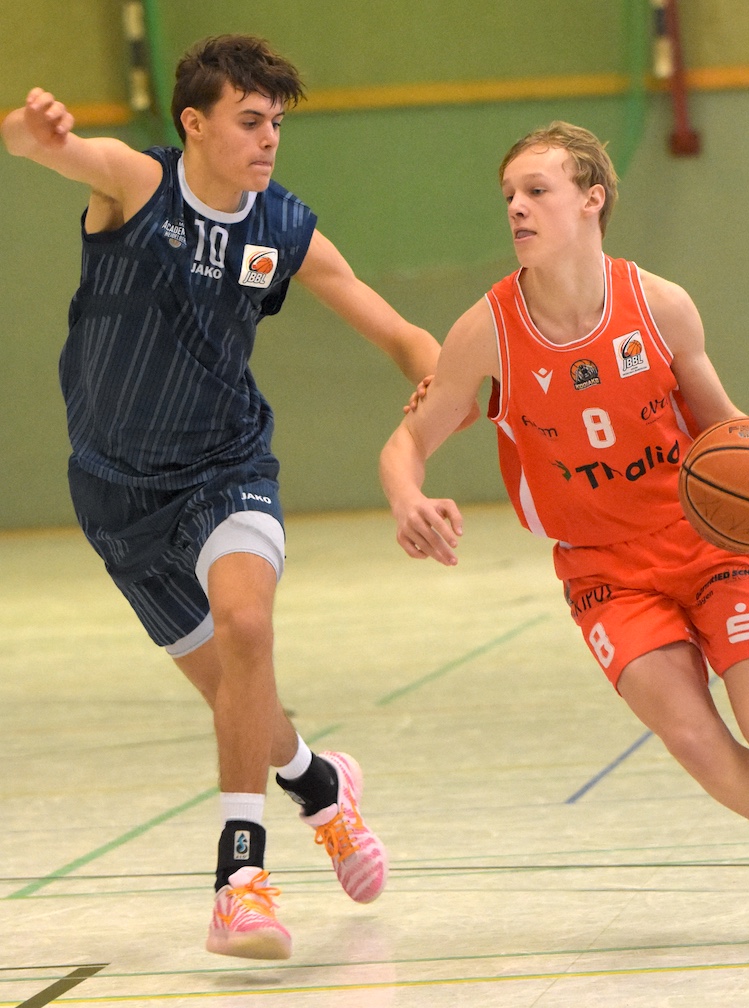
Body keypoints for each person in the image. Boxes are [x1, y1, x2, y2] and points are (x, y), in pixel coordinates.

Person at [379, 121, 749, 948]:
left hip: (706, 542)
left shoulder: (658, 305)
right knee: (696, 741)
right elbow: (406, 441)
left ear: (592, 198)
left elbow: (725, 428)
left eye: (537, 190)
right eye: (508, 194)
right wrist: (407, 496)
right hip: (603, 570)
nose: (515, 207)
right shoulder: (487, 331)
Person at [2, 35, 442, 961]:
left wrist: (448, 390)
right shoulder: (137, 185)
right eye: (249, 121)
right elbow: (50, 151)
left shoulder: (282, 228)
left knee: (247, 629)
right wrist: (35, 134)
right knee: (240, 696)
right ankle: (320, 785)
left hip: (225, 466)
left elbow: (400, 333)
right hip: (114, 494)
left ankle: (239, 886)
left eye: (276, 123)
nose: (268, 138)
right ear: (194, 125)